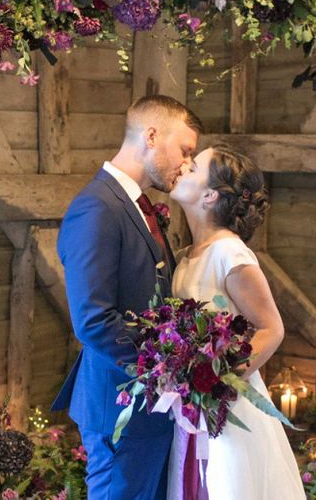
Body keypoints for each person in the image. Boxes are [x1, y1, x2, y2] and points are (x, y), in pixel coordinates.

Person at [52, 94, 203, 500]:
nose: (187, 165)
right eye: (185, 151)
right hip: (119, 404)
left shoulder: (139, 206)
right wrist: (171, 365)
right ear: (152, 136)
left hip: (148, 409)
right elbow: (93, 321)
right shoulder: (96, 208)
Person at [168, 143, 306, 500]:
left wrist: (217, 379)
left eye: (194, 166)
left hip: (228, 408)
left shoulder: (230, 251)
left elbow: (271, 327)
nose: (184, 166)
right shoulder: (186, 256)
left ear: (210, 194)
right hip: (192, 407)